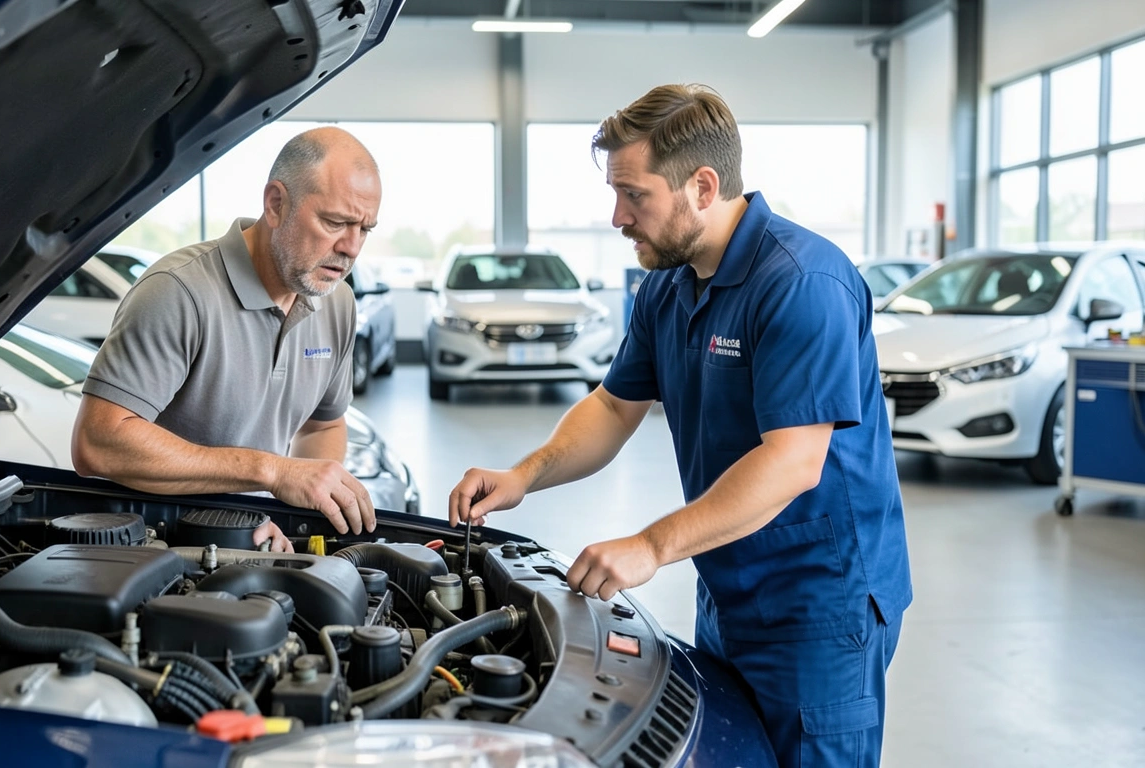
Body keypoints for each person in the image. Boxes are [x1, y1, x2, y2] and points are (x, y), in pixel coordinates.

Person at [449, 84, 911, 768]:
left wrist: (652, 544)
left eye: (634, 195)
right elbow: (614, 406)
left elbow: (793, 461)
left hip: (819, 604)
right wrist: (523, 476)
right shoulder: (667, 283)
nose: (617, 217)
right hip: (729, 582)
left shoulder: (803, 282)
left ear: (702, 185)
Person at [72, 127, 382, 552]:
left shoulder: (337, 302)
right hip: (159, 553)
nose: (351, 248)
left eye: (365, 229)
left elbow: (323, 424)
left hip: (258, 543)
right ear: (276, 204)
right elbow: (98, 443)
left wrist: (292, 515)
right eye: (334, 222)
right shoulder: (179, 291)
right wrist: (273, 472)